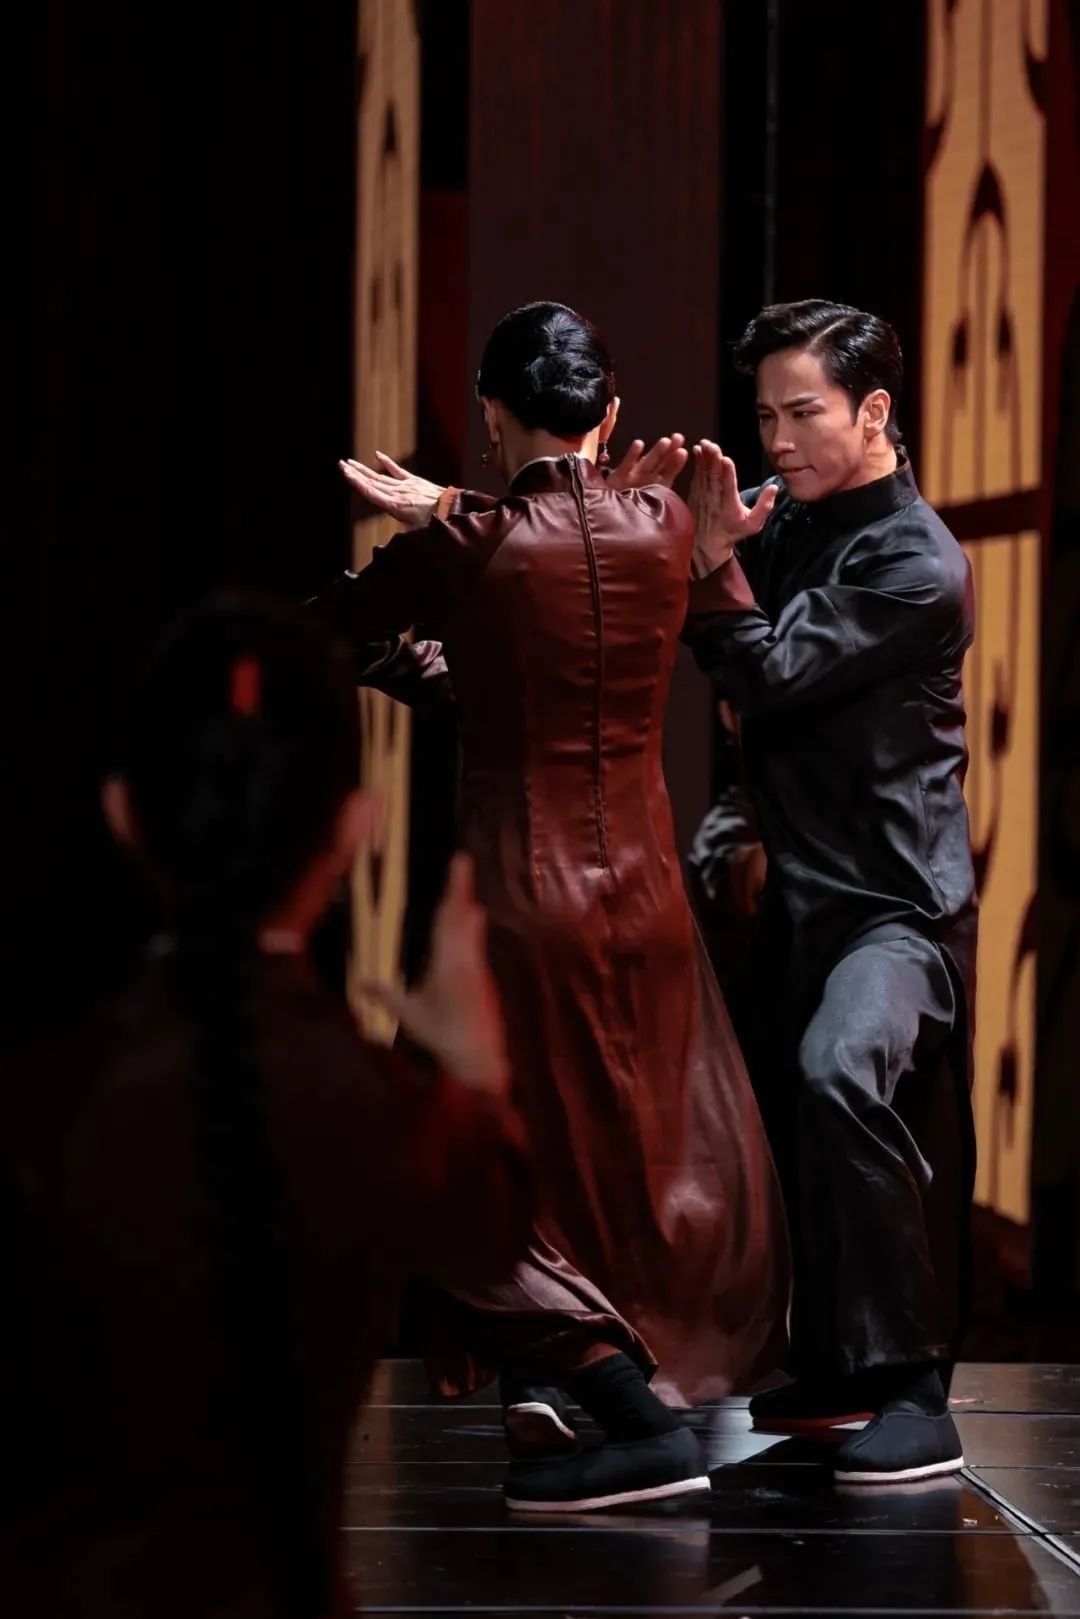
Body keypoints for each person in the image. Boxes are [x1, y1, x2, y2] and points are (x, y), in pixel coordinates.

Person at [311, 301, 789, 1513]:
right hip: (648, 897)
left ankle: (628, 1412)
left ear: (490, 413)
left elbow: (324, 635)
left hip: (523, 902)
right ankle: (584, 1389)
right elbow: (599, 624)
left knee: (441, 1159)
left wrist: (417, 567)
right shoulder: (665, 522)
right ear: (608, 415)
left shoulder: (470, 546)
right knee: (612, 1150)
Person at [0, 597, 533, 1619]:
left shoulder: (45, 1096)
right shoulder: (383, 1111)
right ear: (354, 826)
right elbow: (496, 1226)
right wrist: (476, 1066)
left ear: (123, 812)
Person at [682, 298, 978, 1485]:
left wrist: (715, 563)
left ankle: (913, 1388)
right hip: (805, 895)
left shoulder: (917, 562)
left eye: (803, 412)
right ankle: (838, 1365)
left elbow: (769, 671)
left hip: (897, 910)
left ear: (874, 411)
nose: (779, 438)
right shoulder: (793, 524)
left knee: (840, 1073)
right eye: (765, 416)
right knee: (772, 1118)